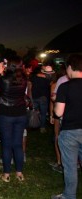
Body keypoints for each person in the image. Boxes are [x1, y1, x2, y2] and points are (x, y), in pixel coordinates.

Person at [0, 57, 27, 183]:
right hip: (20, 113)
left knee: (6, 145)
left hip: (6, 113)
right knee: (17, 144)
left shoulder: (5, 79)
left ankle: (6, 174)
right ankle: (19, 173)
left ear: (9, 66)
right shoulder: (24, 79)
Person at [52, 54, 82, 199]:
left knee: (70, 167)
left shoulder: (65, 87)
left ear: (70, 67)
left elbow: (58, 112)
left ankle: (69, 196)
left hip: (70, 131)